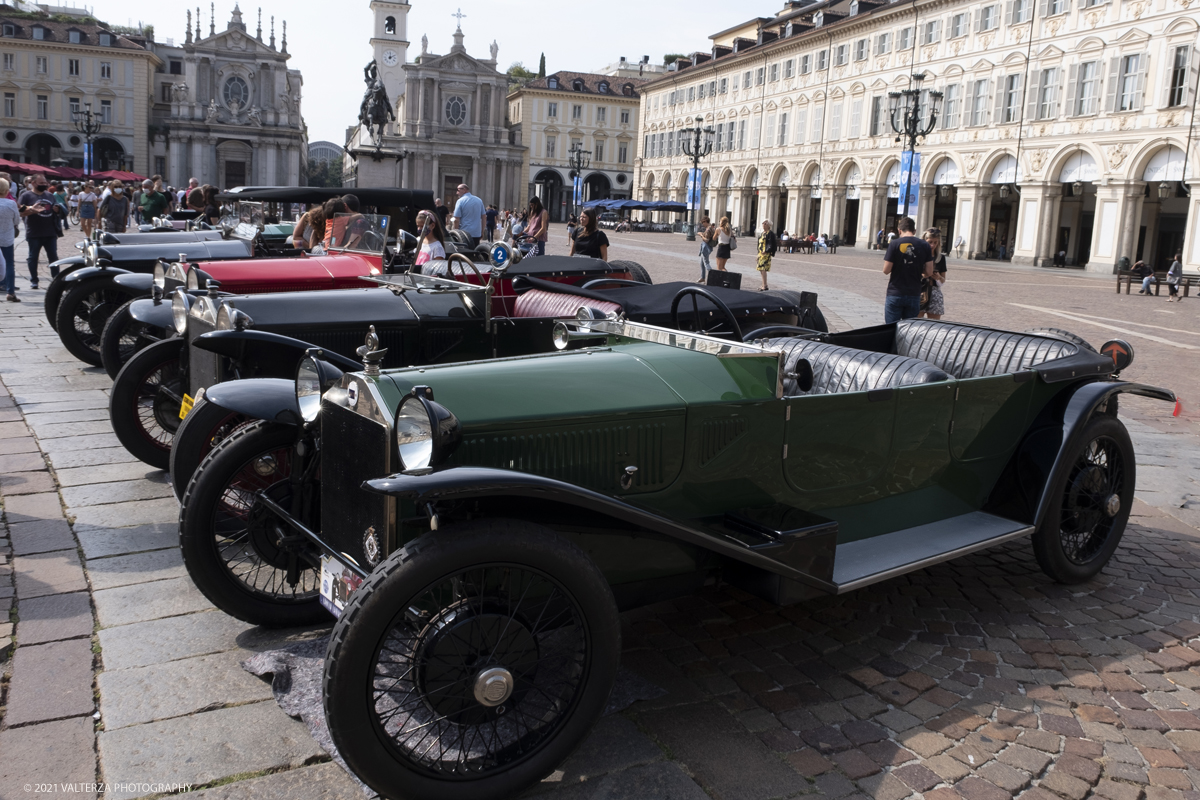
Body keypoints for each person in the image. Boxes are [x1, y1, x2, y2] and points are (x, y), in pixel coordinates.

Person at [882, 216, 935, 324]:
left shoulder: (894, 244)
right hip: (914, 293)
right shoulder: (925, 245)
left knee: (891, 329)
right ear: (914, 231)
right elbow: (929, 272)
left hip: (895, 292)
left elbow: (886, 270)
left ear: (899, 230)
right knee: (909, 330)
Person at [18, 178, 65, 288]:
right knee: (33, 257)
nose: (44, 185)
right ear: (33, 183)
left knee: (53, 257)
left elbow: (56, 208)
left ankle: (56, 280)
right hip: (34, 232)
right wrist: (31, 210)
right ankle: (34, 280)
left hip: (50, 232)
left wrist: (57, 210)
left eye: (45, 183)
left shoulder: (50, 195)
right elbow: (19, 212)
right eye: (41, 183)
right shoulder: (26, 196)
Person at [919, 227, 948, 320]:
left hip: (935, 292)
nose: (932, 245)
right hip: (920, 290)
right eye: (930, 242)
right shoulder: (919, 255)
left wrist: (938, 278)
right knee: (915, 323)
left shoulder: (940, 258)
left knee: (934, 325)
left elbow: (943, 281)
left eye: (935, 242)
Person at [0, 178, 18, 301]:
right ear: (6, 190)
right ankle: (10, 291)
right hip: (6, 238)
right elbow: (16, 220)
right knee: (9, 263)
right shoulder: (11, 204)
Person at [756, 219, 777, 291]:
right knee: (761, 270)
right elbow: (759, 244)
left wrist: (767, 251)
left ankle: (764, 285)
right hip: (761, 254)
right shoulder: (762, 233)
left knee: (763, 269)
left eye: (765, 223)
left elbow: (773, 244)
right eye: (763, 223)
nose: (763, 225)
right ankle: (764, 284)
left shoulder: (770, 234)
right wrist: (758, 254)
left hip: (766, 254)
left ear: (769, 225)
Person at [697, 216, 714, 282]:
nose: (702, 224)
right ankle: (703, 277)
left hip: (706, 247)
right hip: (706, 246)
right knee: (702, 263)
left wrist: (701, 235)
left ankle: (712, 275)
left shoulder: (708, 229)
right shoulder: (710, 228)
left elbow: (706, 240)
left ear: (705, 222)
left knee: (706, 262)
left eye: (703, 223)